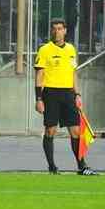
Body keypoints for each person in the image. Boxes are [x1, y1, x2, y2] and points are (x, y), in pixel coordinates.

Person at [34, 18, 97, 176]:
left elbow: (73, 73)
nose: (57, 32)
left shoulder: (70, 49)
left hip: (68, 94)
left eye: (60, 28)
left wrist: (77, 94)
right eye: (54, 29)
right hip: (50, 93)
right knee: (50, 130)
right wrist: (39, 99)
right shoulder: (44, 50)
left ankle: (82, 166)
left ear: (65, 30)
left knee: (76, 131)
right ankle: (52, 167)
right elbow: (39, 75)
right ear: (51, 31)